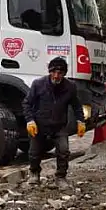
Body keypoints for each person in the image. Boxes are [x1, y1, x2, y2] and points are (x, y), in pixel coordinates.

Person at [22, 56, 87, 188]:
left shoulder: (70, 87)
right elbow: (27, 103)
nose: (56, 76)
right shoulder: (38, 84)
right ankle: (34, 173)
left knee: (63, 151)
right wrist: (30, 120)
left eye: (60, 73)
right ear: (49, 71)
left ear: (64, 74)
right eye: (54, 72)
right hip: (39, 124)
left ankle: (61, 177)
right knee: (34, 152)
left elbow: (76, 105)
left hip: (59, 125)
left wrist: (81, 120)